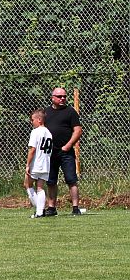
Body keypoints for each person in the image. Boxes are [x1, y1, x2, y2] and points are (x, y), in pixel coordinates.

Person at [42, 87, 83, 216]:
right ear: (52, 97)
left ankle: (75, 208)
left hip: (66, 152)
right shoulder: (46, 113)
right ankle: (51, 208)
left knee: (71, 179)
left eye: (64, 96)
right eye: (59, 96)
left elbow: (78, 130)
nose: (62, 98)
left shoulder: (70, 112)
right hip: (50, 153)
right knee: (50, 181)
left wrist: (68, 145)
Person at [25, 110, 52, 218]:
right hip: (46, 163)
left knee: (27, 184)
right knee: (40, 187)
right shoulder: (48, 133)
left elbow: (32, 149)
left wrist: (27, 164)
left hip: (37, 163)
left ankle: (39, 210)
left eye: (33, 120)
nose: (32, 122)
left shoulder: (35, 132)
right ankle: (40, 211)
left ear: (39, 120)